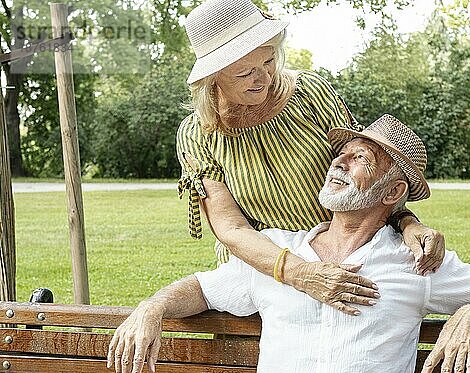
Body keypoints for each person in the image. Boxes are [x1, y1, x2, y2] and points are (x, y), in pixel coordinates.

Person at [109, 115, 470, 373]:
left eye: (360, 158)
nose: (339, 163)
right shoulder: (278, 251)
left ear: (392, 193)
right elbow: (201, 289)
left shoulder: (415, 262)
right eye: (341, 154)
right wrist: (153, 307)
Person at [176, 0, 447, 314]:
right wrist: (300, 273)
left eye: (268, 61)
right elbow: (230, 228)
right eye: (245, 72)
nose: (263, 78)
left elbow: (367, 173)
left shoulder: (310, 93)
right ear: (213, 78)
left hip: (341, 261)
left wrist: (408, 223)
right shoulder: (197, 135)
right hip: (260, 275)